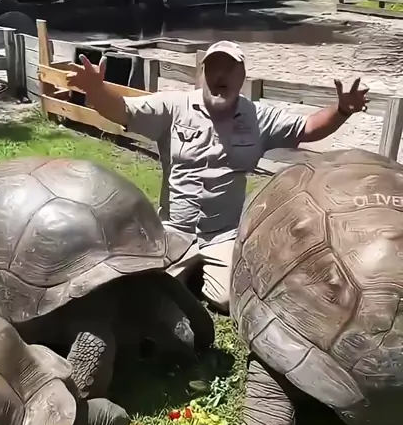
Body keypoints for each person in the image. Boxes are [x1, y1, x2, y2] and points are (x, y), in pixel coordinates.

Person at [65, 40, 369, 314]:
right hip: (174, 228)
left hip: (222, 233)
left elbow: (308, 128)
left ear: (241, 77)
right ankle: (184, 270)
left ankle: (198, 270)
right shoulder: (173, 106)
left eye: (229, 69)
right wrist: (96, 90)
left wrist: (342, 110)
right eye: (213, 68)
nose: (220, 75)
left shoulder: (258, 117)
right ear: (202, 74)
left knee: (225, 300)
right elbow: (122, 110)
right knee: (145, 294)